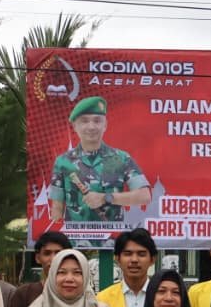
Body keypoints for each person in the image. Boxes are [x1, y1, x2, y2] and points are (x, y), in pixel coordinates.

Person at [47, 96, 152, 225]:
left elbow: (144, 196)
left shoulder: (121, 158)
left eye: (97, 121)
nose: (91, 127)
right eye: (84, 121)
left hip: (113, 235)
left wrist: (105, 198)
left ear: (105, 125)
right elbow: (57, 208)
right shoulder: (63, 162)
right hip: (75, 236)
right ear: (75, 126)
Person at [6, 232, 72, 307]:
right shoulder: (24, 294)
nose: (53, 259)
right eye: (47, 253)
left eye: (58, 253)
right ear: (37, 258)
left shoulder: (78, 292)